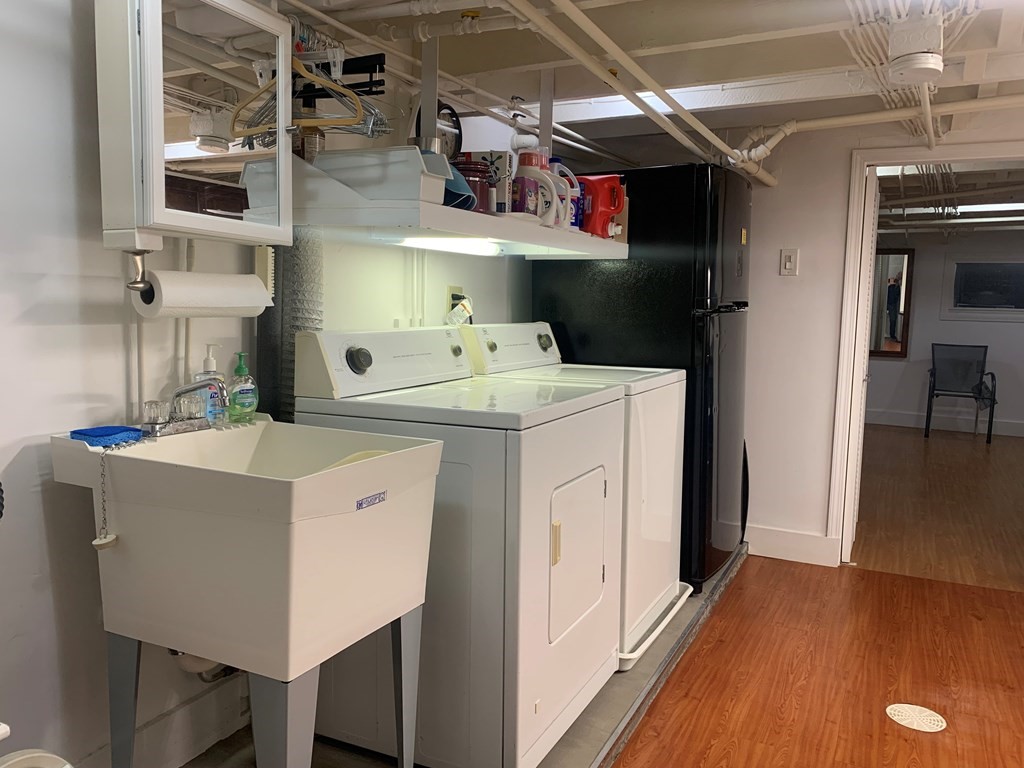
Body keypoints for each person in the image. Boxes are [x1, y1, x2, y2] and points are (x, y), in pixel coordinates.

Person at [886, 273, 902, 341]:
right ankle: (892, 335)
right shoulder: (892, 287)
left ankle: (893, 334)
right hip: (892, 305)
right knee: (893, 320)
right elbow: (891, 297)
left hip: (895, 305)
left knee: (894, 320)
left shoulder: (897, 286)